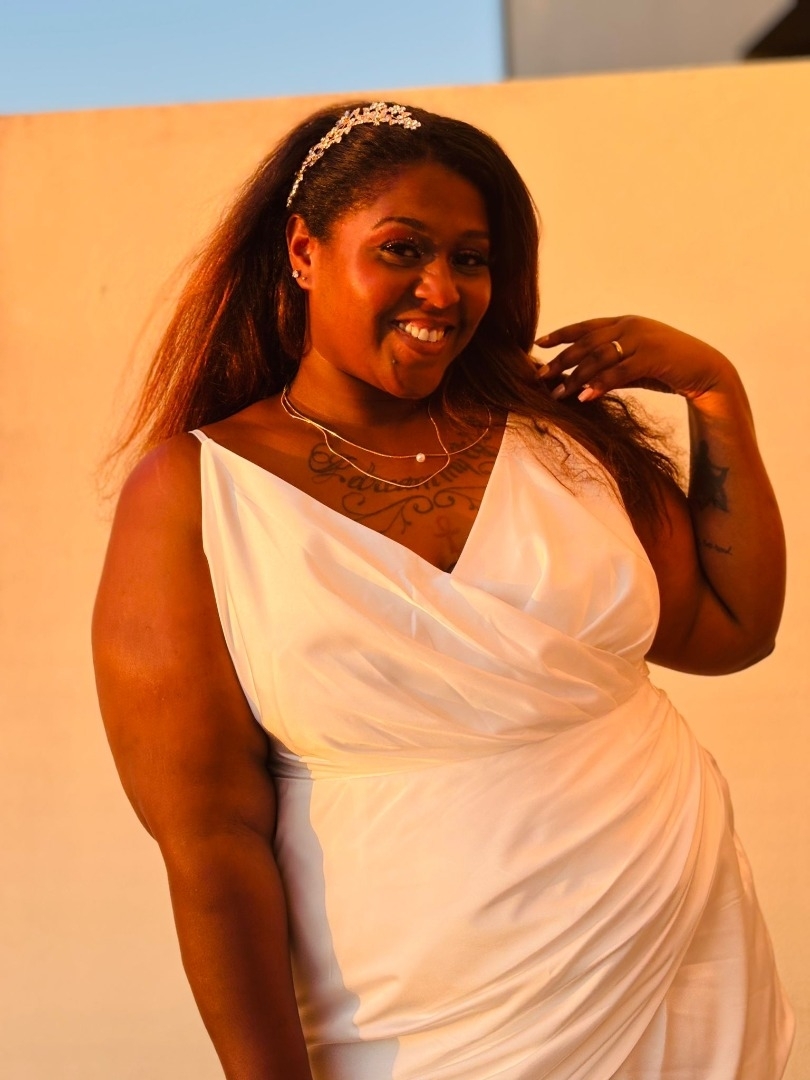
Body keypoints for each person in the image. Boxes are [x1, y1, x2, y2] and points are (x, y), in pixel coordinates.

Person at [92, 100, 794, 1079]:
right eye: (403, 249)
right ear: (304, 251)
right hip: (416, 1022)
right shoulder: (195, 493)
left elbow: (734, 629)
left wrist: (716, 391)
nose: (442, 289)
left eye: (471, 258)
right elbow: (211, 842)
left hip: (678, 966)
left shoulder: (562, 442)